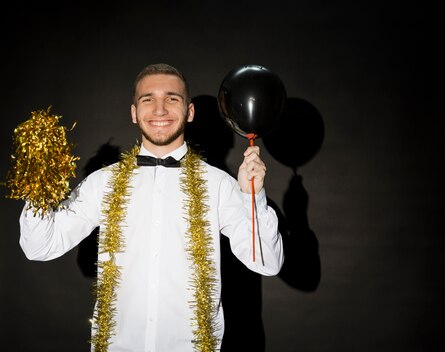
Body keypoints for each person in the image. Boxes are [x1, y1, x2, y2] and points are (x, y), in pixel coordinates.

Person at [18, 63, 284, 352]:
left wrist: (251, 195)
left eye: (172, 99)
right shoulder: (103, 183)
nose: (160, 110)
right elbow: (39, 247)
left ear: (190, 111)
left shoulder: (218, 184)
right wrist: (38, 184)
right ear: (134, 113)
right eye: (148, 100)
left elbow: (266, 263)